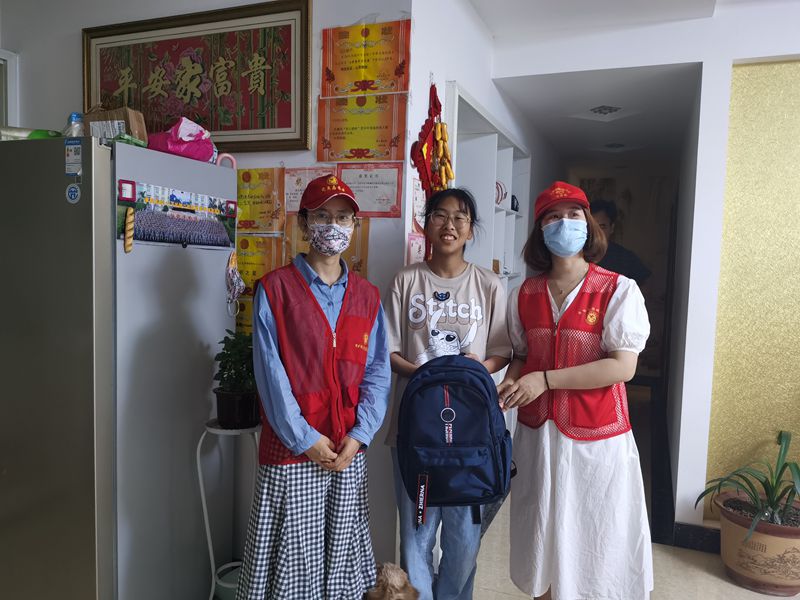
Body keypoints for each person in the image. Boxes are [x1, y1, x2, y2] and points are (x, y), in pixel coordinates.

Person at [236, 175, 391, 600]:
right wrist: (304, 439)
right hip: (293, 451)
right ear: (304, 223)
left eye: (343, 217)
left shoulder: (367, 296)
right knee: (291, 566)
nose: (333, 225)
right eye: (322, 216)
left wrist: (361, 434)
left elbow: (378, 371)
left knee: (340, 561)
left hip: (345, 451)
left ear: (354, 226)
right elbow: (271, 375)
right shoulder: (276, 289)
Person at [499, 181, 653, 600]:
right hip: (538, 436)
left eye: (573, 215)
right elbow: (522, 354)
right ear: (540, 229)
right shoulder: (524, 294)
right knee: (541, 533)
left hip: (595, 439)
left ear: (589, 226)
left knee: (593, 535)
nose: (563, 223)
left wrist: (546, 379)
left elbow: (622, 366)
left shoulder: (617, 290)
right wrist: (514, 378)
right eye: (553, 216)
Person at [384, 187, 512, 600]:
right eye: (440, 214)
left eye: (460, 217)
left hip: (471, 436)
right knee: (416, 536)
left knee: (464, 540)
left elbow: (503, 351)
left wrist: (468, 372)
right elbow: (388, 351)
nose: (450, 224)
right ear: (426, 224)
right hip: (415, 432)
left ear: (471, 229)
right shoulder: (406, 281)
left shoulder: (489, 284)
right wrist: (429, 374)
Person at [590, 199, 651, 285]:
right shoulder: (577, 255)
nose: (597, 232)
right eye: (592, 226)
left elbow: (646, 284)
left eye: (602, 226)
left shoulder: (625, 258)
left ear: (612, 228)